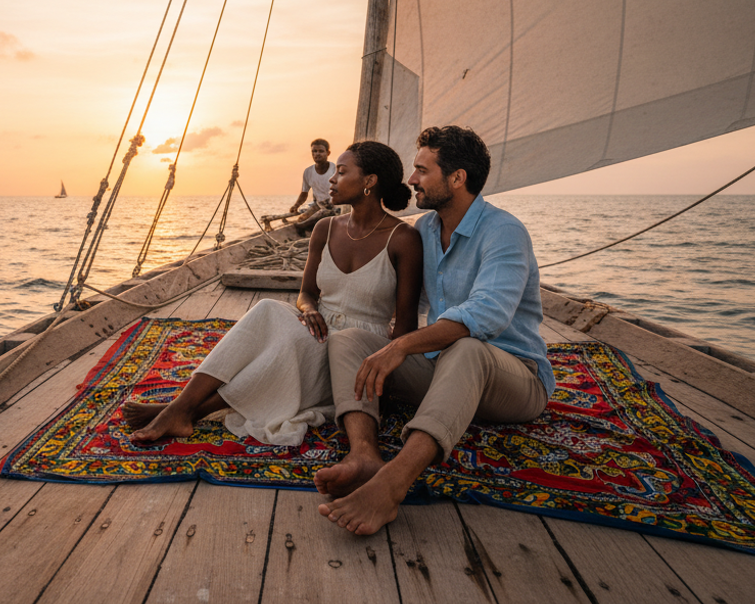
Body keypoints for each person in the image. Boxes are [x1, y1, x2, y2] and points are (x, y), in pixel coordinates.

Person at [315, 125, 554, 536]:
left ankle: (392, 484)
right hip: (443, 373)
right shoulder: (423, 230)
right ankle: (364, 453)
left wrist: (402, 346)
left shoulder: (504, 232)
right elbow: (404, 297)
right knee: (349, 341)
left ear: (457, 178)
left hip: (514, 381)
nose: (411, 181)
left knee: (467, 346)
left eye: (422, 171)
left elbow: (488, 316)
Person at [122, 141, 422, 446]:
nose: (332, 179)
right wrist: (310, 310)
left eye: (342, 172)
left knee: (290, 348)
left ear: (370, 181)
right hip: (318, 324)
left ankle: (185, 411)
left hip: (358, 347)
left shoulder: (403, 239)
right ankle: (180, 407)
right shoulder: (325, 228)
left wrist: (382, 379)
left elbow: (406, 327)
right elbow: (306, 294)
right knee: (267, 309)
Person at [291, 139, 336, 234]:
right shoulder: (308, 172)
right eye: (314, 151)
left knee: (326, 215)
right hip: (319, 205)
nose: (317, 154)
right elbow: (304, 193)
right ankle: (305, 227)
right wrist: (296, 205)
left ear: (328, 153)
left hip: (334, 206)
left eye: (321, 151)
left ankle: (304, 227)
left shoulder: (334, 169)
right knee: (301, 219)